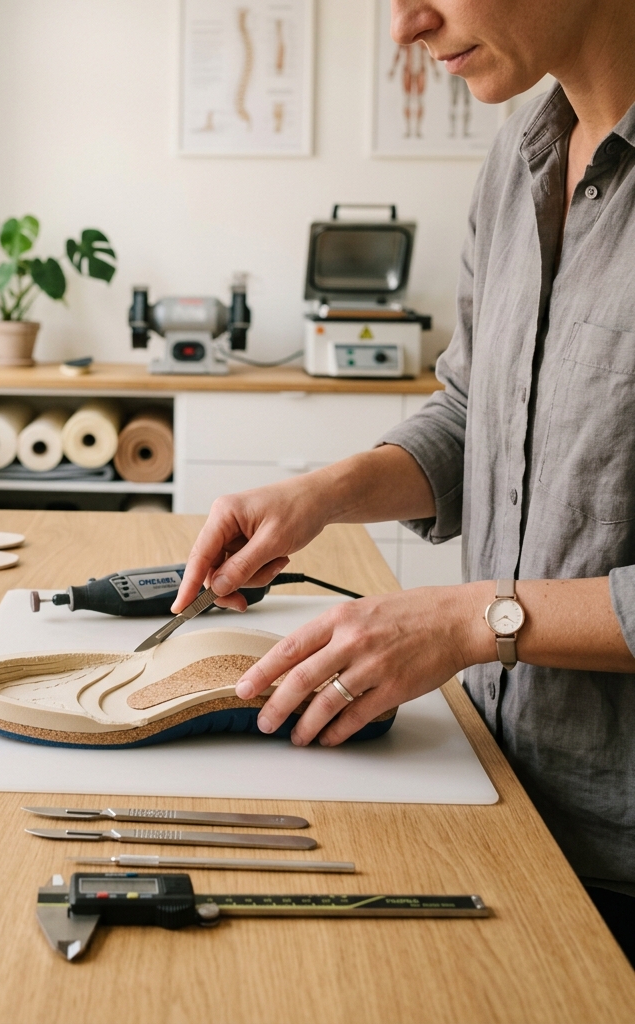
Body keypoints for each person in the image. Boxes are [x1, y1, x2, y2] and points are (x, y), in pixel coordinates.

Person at [172, 0, 635, 964]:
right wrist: (327, 492)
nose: (405, 24)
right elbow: (477, 412)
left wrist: (472, 621)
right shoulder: (521, 160)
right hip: (501, 791)